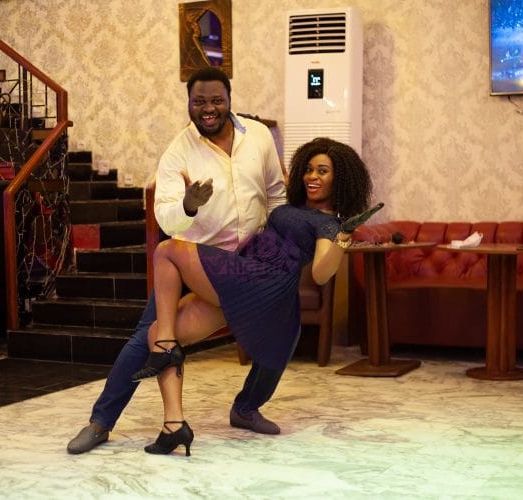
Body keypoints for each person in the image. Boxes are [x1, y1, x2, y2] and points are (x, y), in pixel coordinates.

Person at [67, 67, 287, 454]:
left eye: (216, 100)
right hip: (194, 261)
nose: (208, 109)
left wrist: (279, 247)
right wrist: (188, 205)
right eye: (199, 101)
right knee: (146, 336)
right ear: (188, 103)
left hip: (248, 260)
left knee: (281, 329)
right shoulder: (177, 153)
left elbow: (276, 194)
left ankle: (246, 408)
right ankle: (101, 422)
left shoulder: (258, 137)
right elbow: (167, 220)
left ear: (229, 100)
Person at [132, 137, 374, 456]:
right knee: (158, 332)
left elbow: (320, 274)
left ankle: (166, 349)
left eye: (323, 171)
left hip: (263, 282)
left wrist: (344, 236)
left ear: (339, 179)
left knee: (167, 251)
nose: (312, 176)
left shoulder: (330, 224)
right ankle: (173, 426)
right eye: (309, 169)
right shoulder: (293, 207)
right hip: (244, 275)